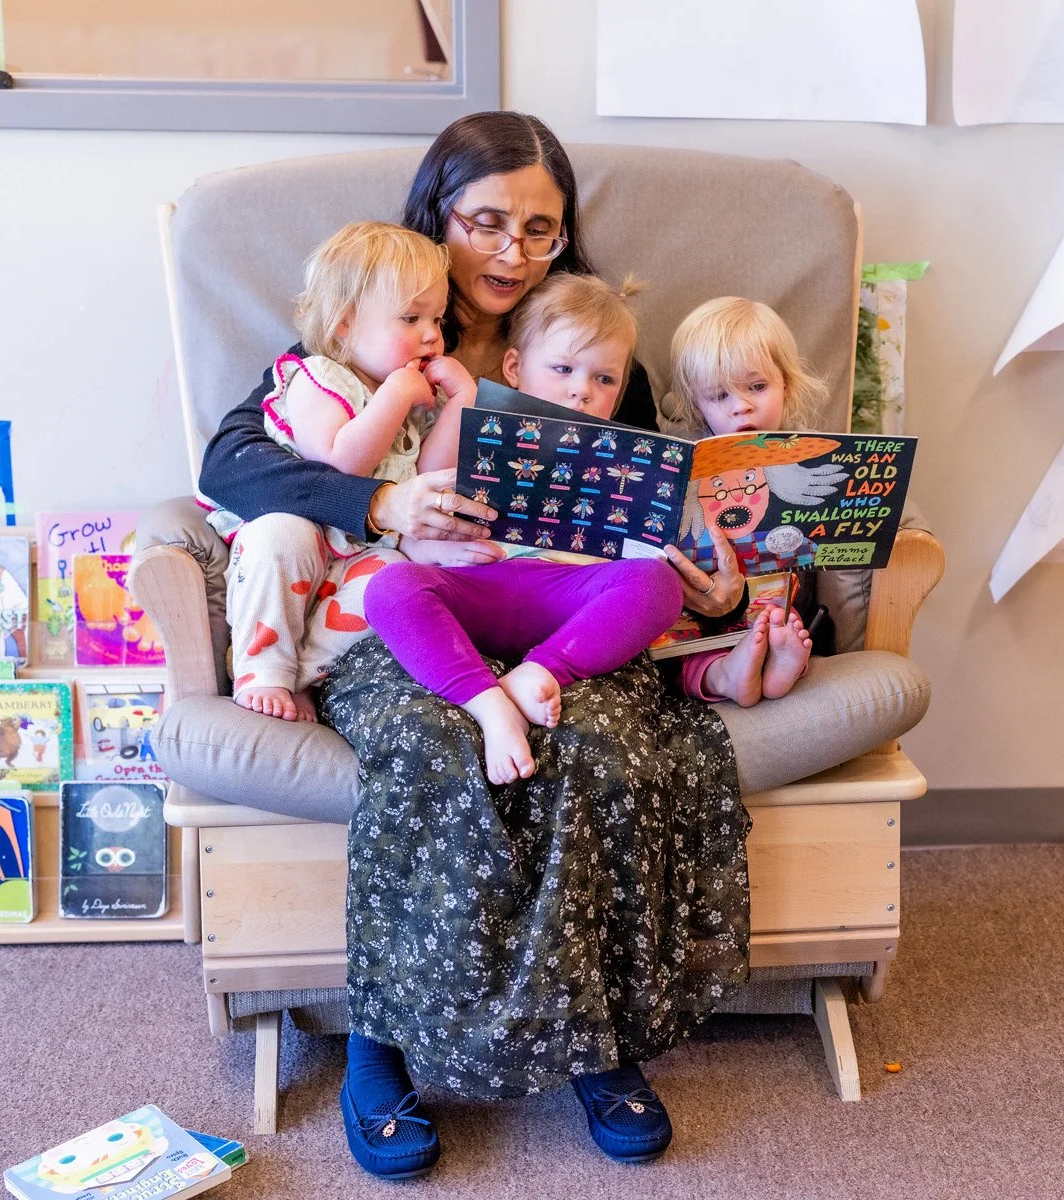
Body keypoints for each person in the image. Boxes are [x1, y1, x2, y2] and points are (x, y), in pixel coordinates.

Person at [194, 112, 753, 1179]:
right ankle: (381, 1043)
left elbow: (652, 508)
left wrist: (715, 594)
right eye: (487, 222)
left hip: (558, 620)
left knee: (598, 744)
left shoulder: (589, 343)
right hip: (406, 612)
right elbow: (231, 466)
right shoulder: (377, 330)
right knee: (429, 744)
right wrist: (384, 501)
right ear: (437, 214)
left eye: (541, 230)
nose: (511, 251)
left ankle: (598, 1042)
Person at [363, 273, 685, 785]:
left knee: (658, 584)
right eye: (563, 368)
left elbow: (643, 559)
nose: (582, 390)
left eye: (605, 380)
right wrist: (424, 545)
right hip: (477, 587)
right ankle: (489, 704)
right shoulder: (473, 422)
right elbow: (422, 502)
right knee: (389, 588)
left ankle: (539, 673)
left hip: (567, 600)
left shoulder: (628, 458)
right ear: (513, 367)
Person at [199, 221, 485, 723]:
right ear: (344, 323)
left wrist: (463, 400)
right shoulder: (318, 377)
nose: (432, 335)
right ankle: (262, 669)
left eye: (437, 319)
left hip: (361, 552)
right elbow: (339, 463)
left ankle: (302, 674)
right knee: (279, 534)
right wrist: (396, 396)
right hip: (302, 534)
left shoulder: (407, 396)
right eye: (411, 318)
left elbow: (427, 474)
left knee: (396, 579)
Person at [660, 297, 835, 708]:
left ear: (786, 384)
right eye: (720, 395)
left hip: (776, 599)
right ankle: (727, 675)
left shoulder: (805, 454)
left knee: (785, 625)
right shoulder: (685, 463)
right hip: (697, 617)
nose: (742, 406)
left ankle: (777, 663)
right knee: (681, 649)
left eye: (757, 387)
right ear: (697, 404)